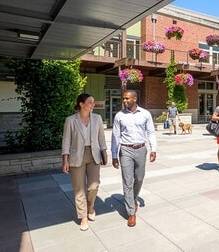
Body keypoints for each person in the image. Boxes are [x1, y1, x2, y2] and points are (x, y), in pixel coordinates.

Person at [61, 93, 107, 231]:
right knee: (79, 188)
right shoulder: (70, 120)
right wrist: (65, 160)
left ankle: (90, 207)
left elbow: (101, 138)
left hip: (94, 155)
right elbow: (66, 141)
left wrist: (104, 152)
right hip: (76, 157)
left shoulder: (97, 118)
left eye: (93, 102)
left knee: (94, 186)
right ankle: (83, 217)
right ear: (81, 104)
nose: (93, 104)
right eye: (90, 102)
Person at [111, 90, 157, 227]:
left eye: (127, 98)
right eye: (123, 98)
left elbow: (151, 132)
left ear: (135, 99)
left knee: (139, 178)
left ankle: (134, 199)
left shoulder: (145, 114)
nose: (124, 101)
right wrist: (114, 155)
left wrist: (153, 148)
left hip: (141, 149)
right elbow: (115, 136)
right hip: (125, 150)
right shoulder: (119, 116)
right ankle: (131, 212)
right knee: (127, 181)